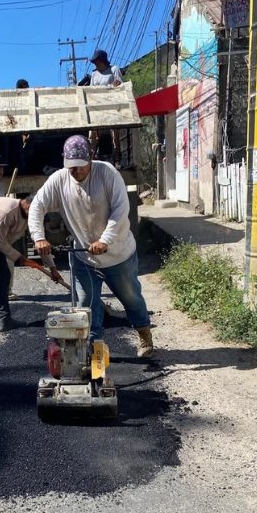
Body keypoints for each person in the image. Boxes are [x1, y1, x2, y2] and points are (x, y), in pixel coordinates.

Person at [27, 135, 155, 357]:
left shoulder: (107, 174)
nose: (76, 171)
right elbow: (37, 206)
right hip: (84, 257)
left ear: (91, 158)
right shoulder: (59, 180)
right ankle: (94, 347)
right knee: (87, 304)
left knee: (131, 297)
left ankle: (144, 333)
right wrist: (39, 237)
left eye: (81, 166)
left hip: (118, 254)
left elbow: (121, 209)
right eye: (71, 167)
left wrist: (105, 240)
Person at [0, 196, 63, 332]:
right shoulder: (7, 211)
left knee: (4, 276)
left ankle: (5, 319)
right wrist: (18, 257)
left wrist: (53, 268)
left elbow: (40, 243)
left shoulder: (32, 216)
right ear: (27, 205)